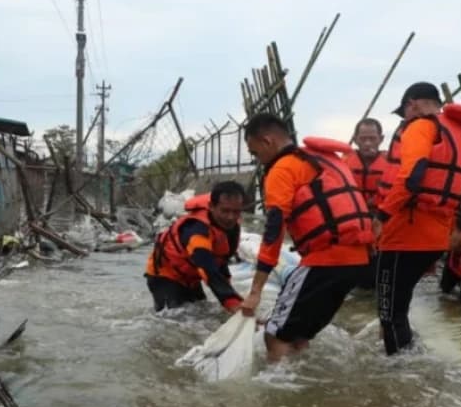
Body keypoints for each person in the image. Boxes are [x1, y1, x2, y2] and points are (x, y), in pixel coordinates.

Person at [237, 113, 374, 362]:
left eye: (255, 153)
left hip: (326, 261)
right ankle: (300, 377)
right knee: (298, 334)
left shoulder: (282, 169)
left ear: (267, 141)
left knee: (274, 334)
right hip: (358, 261)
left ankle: (277, 384)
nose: (257, 160)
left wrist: (255, 290)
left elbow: (273, 231)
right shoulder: (326, 159)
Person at [374, 81, 461, 355]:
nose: (404, 119)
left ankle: (400, 372)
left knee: (389, 314)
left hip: (405, 234)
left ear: (411, 104)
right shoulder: (458, 133)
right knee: (399, 309)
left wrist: (381, 216)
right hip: (436, 238)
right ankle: (411, 361)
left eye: (404, 113)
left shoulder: (421, 126)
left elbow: (412, 176)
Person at [145, 181, 246, 313]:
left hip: (190, 276)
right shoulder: (196, 230)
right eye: (225, 211)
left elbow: (221, 262)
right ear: (211, 206)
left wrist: (234, 298)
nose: (231, 217)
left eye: (236, 211)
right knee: (176, 318)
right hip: (164, 275)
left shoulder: (231, 228)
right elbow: (208, 268)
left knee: (201, 311)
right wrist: (231, 303)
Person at [344, 118, 388, 291]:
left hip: (381, 222)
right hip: (353, 223)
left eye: (372, 138)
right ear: (355, 139)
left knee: (377, 277)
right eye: (363, 139)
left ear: (381, 139)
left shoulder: (391, 163)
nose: (368, 143)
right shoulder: (344, 163)